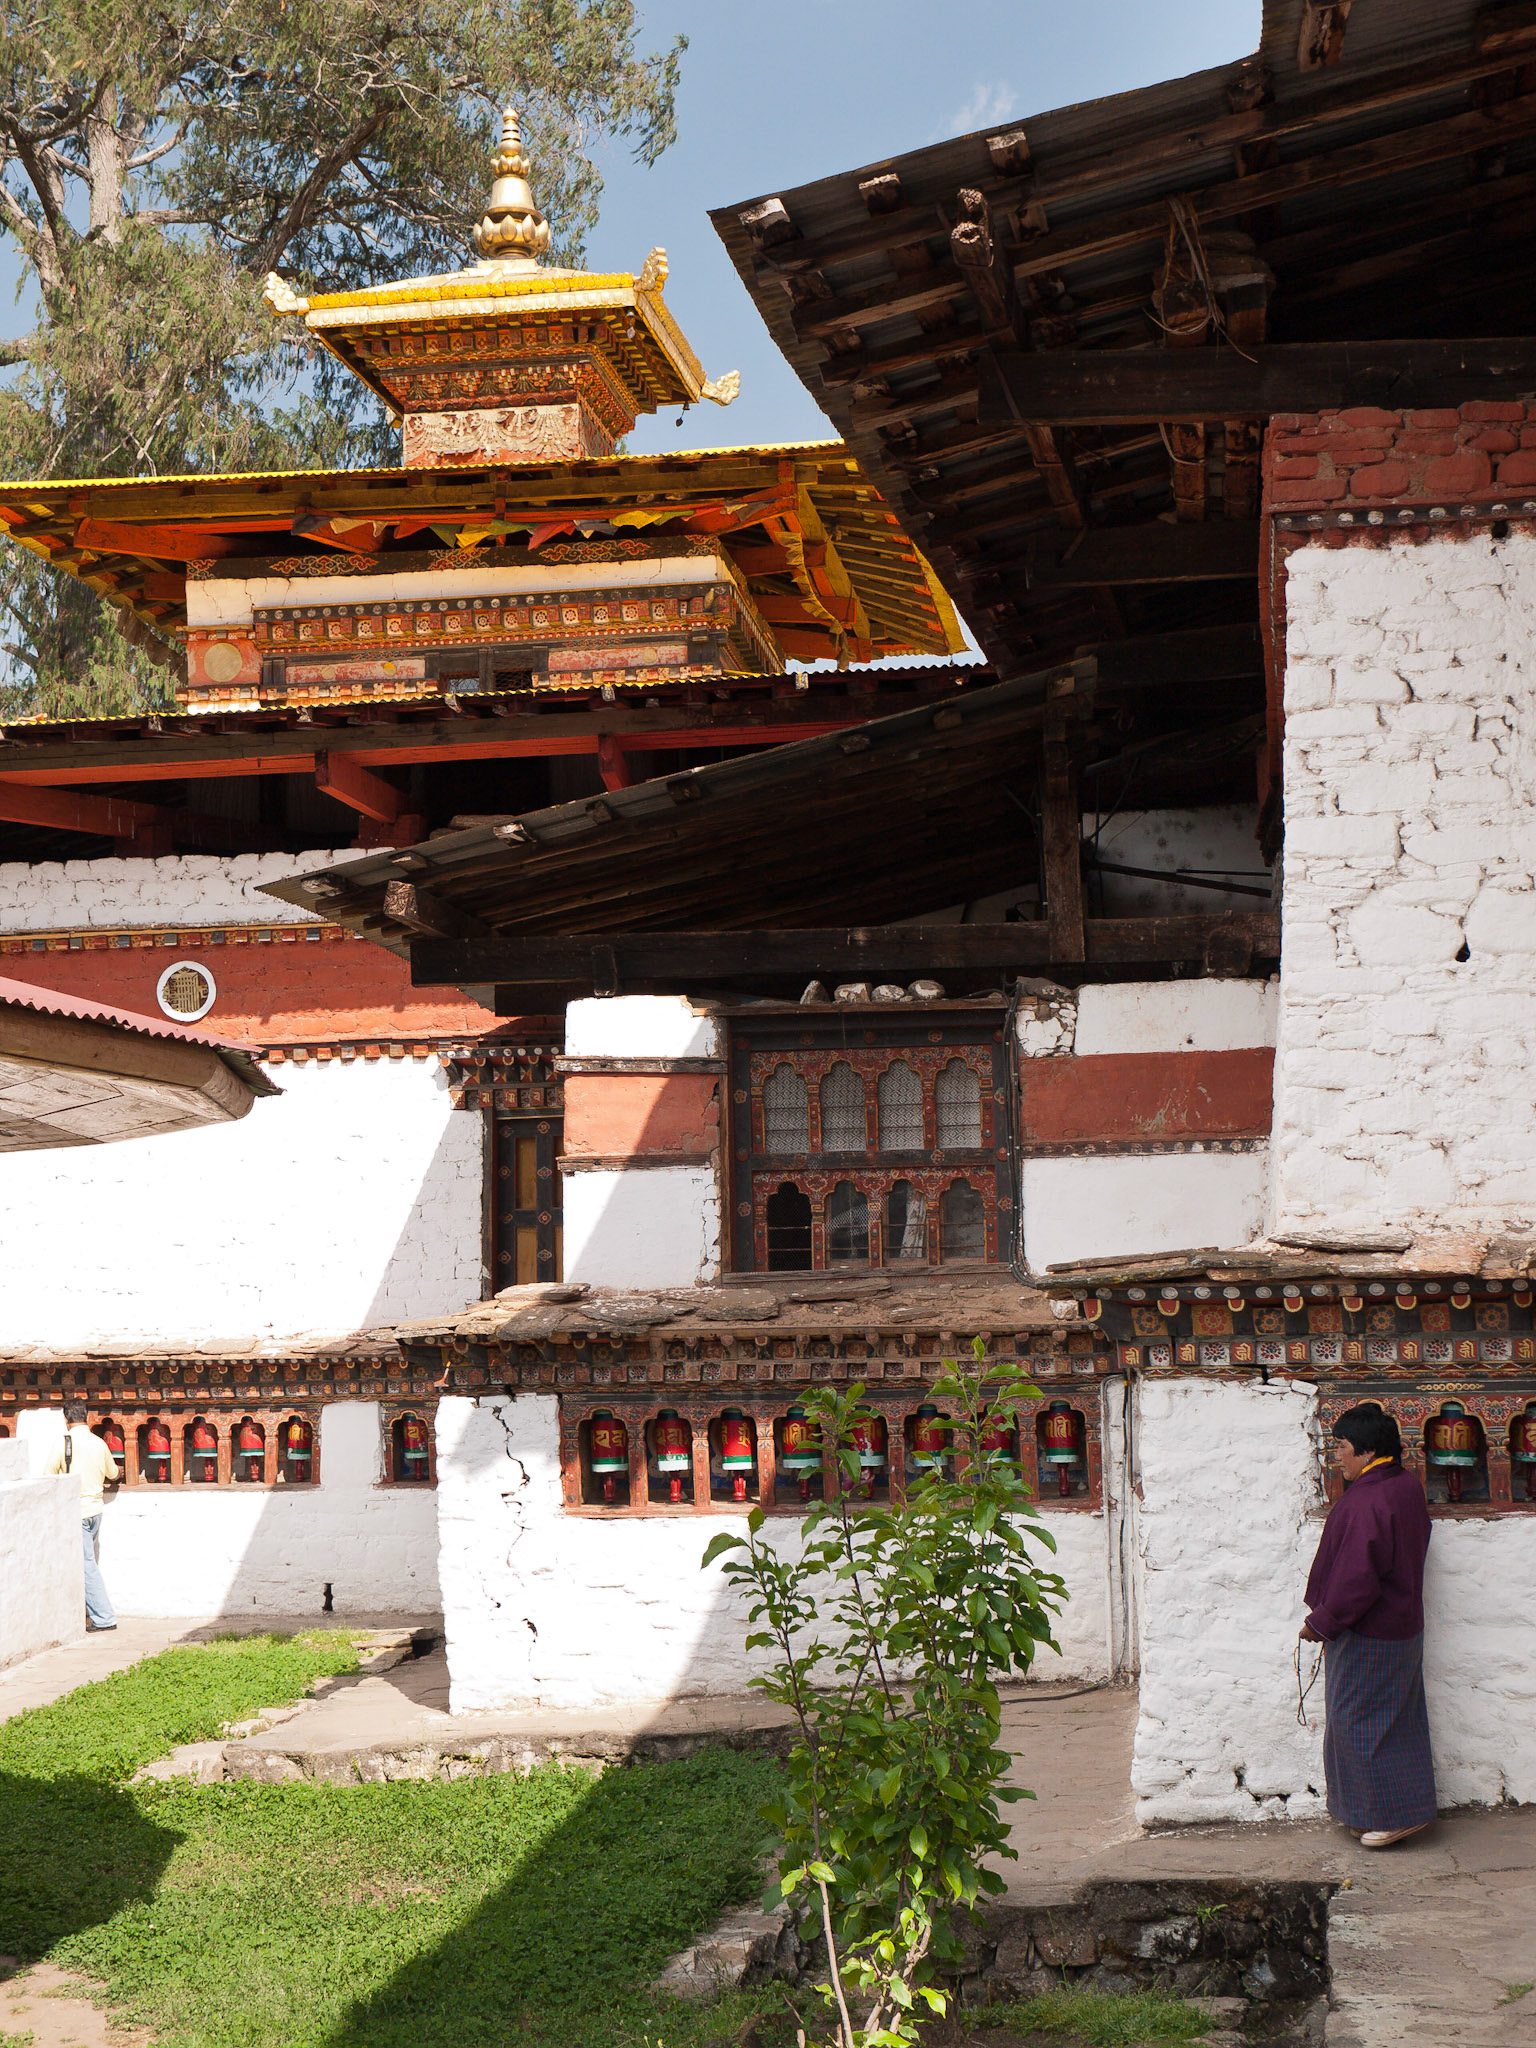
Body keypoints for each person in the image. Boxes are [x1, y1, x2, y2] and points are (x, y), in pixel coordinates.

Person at [1300, 1403, 1435, 1849]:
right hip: (1400, 1624)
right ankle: (1372, 1812)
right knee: (1392, 1721)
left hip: (1371, 1630)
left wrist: (1321, 1623)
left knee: (1359, 1721)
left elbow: (1358, 1576)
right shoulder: (1401, 1485)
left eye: (1340, 1446)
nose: (1336, 1455)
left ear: (1366, 1449)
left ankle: (1392, 1816)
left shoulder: (1370, 1499)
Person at [46, 1403, 120, 1632]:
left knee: (86, 1565)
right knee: (87, 1562)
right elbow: (114, 1473)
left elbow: (48, 1476)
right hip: (96, 1510)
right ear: (86, 1417)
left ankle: (104, 1617)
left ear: (66, 1419)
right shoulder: (99, 1444)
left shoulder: (63, 1443)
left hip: (76, 1511)